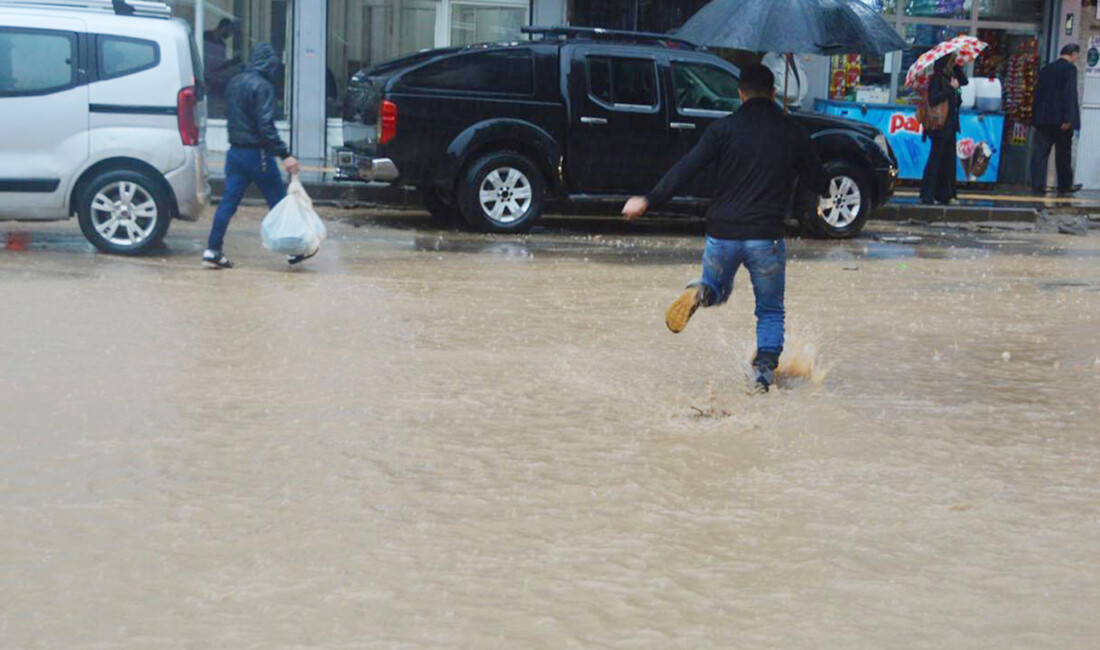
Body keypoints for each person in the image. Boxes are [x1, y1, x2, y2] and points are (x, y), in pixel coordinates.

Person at [621, 65, 829, 392]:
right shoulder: (791, 130)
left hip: (723, 234)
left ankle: (702, 292)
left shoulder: (723, 128)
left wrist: (649, 199)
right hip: (766, 237)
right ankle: (762, 374)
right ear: (774, 93)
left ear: (741, 94)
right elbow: (820, 181)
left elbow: (686, 167)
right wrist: (796, 148)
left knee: (718, 291)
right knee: (770, 311)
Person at [203, 43, 301, 270]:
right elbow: (265, 125)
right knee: (278, 202)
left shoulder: (235, 82)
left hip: (235, 153)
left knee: (227, 204)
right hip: (259, 155)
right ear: (269, 64)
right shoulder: (263, 86)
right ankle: (294, 251)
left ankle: (212, 250)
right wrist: (285, 154)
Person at [1030, 44, 1082, 196]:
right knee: (1063, 154)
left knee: (1040, 154)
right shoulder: (1070, 70)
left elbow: (1037, 93)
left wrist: (1035, 117)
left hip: (1043, 119)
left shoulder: (1046, 69)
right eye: (1077, 56)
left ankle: (1037, 186)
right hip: (1061, 121)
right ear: (1072, 54)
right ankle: (1064, 185)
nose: (1077, 59)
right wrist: (1068, 118)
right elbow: (1069, 94)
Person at [919, 53, 967, 206]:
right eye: (952, 61)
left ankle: (945, 195)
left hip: (951, 126)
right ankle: (928, 195)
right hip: (940, 127)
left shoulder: (950, 78)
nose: (953, 64)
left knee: (948, 162)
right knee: (936, 161)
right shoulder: (937, 78)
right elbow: (934, 99)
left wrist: (957, 71)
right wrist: (950, 90)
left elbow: (963, 83)